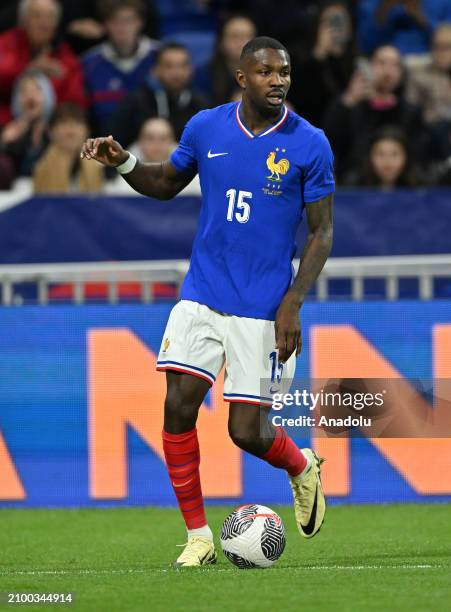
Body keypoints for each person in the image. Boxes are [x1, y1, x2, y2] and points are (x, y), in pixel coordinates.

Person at [82, 36, 334, 567]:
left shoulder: (310, 143)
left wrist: (293, 304)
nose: (278, 81)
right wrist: (124, 161)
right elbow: (168, 182)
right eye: (265, 72)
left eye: (284, 72)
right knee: (177, 406)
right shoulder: (206, 127)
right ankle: (198, 537)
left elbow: (322, 233)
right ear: (242, 77)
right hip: (202, 295)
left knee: (246, 432)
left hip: (264, 308)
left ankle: (301, 465)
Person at [323, 44, 428, 182]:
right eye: (381, 63)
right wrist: (349, 99)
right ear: (369, 67)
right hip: (356, 187)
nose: (388, 70)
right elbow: (330, 141)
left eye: (395, 65)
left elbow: (418, 155)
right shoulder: (351, 106)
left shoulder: (412, 112)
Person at [0, 0, 87, 127]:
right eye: (37, 15)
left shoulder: (66, 57)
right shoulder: (6, 44)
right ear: (24, 21)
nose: (44, 23)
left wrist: (48, 125)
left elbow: (75, 103)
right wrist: (30, 69)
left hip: (49, 130)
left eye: (50, 17)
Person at [107, 42, 208, 147]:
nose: (177, 73)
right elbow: (114, 142)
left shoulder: (202, 105)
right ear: (155, 70)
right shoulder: (137, 101)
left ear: (191, 69)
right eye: (169, 66)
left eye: (183, 65)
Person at [81, 0, 159, 133]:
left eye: (128, 20)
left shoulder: (159, 56)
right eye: (115, 21)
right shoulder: (89, 63)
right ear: (106, 25)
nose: (122, 27)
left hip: (153, 140)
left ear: (140, 23)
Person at [290, 0, 358, 126]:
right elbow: (300, 100)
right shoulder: (300, 59)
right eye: (330, 22)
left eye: (340, 21)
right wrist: (319, 54)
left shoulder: (357, 61)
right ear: (318, 26)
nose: (336, 28)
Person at [34, 103, 104, 193]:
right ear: (50, 131)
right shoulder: (41, 166)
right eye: (64, 123)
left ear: (87, 131)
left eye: (77, 123)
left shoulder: (97, 166)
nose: (70, 130)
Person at [358, 0, 451, 55]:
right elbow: (365, 44)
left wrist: (420, 16)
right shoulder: (374, 3)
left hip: (431, 61)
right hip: (388, 63)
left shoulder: (445, 2)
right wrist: (386, 8)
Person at [0, 70, 55, 177]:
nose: (30, 96)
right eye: (24, 91)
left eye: (36, 90)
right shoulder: (7, 131)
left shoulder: (56, 128)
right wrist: (3, 143)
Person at [195, 14, 256, 105]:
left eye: (247, 36)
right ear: (222, 42)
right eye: (235, 36)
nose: (241, 42)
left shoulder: (268, 73)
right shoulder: (204, 74)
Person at [354, 126, 419, 188]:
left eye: (394, 154)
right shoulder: (354, 187)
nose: (387, 161)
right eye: (381, 154)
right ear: (370, 157)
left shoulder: (421, 189)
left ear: (406, 157)